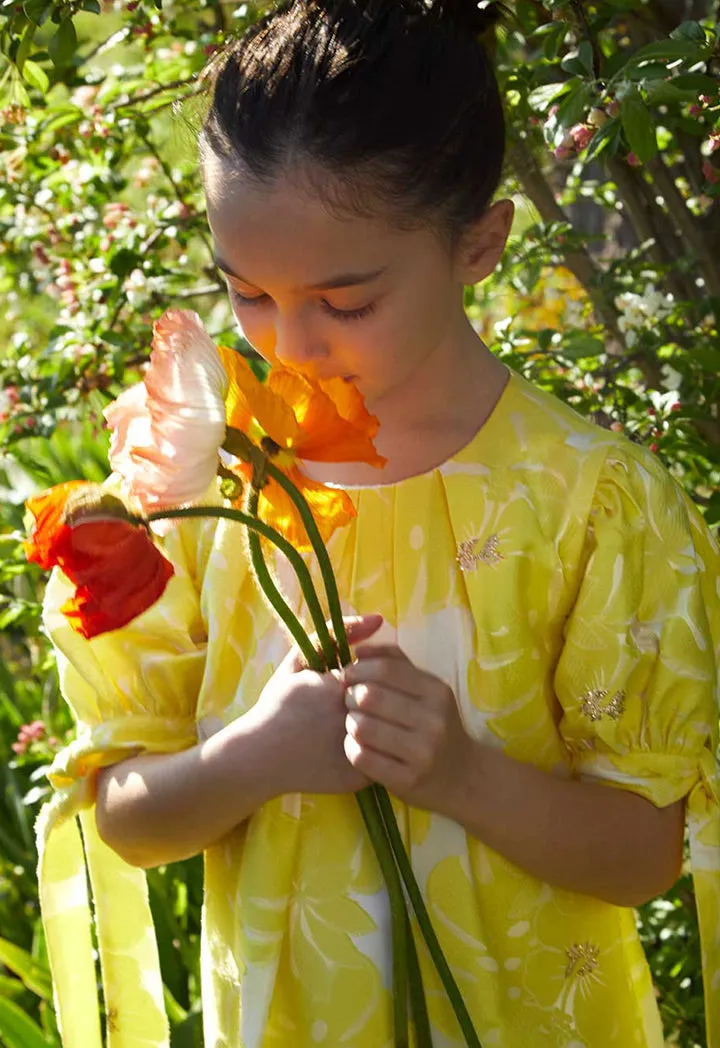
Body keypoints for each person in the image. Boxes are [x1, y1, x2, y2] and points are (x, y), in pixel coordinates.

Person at [36, 1, 720, 1046]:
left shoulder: (590, 499)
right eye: (247, 292)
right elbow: (122, 812)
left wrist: (463, 775)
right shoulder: (202, 488)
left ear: (480, 242)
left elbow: (645, 853)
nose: (292, 343)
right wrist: (251, 758)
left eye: (345, 302)